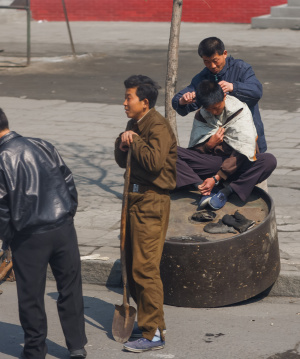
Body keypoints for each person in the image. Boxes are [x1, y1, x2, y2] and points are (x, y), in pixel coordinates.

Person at [0, 106, 87, 359]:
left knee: (31, 295)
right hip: (62, 227)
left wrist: (9, 238)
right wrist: (68, 213)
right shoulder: (42, 145)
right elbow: (68, 180)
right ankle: (77, 346)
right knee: (70, 287)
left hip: (29, 237)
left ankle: (35, 350)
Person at [114, 75, 176, 352]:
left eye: (129, 98)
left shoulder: (158, 126)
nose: (124, 102)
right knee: (131, 264)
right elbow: (122, 161)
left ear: (145, 102)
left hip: (151, 202)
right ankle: (147, 323)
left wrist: (135, 141)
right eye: (126, 97)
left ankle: (153, 334)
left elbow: (153, 163)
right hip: (134, 198)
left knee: (145, 268)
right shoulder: (134, 124)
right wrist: (123, 143)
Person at [175, 80, 277, 211]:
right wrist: (209, 145)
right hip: (212, 163)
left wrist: (217, 177)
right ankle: (203, 189)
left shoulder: (240, 110)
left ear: (224, 97)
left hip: (237, 165)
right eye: (209, 109)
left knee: (268, 160)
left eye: (217, 107)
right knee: (170, 151)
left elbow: (243, 150)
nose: (214, 112)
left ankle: (227, 191)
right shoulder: (202, 115)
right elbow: (196, 150)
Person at [172, 37, 267, 153]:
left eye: (215, 60)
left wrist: (233, 87)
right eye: (206, 61)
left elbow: (256, 91)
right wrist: (182, 100)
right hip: (219, 144)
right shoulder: (203, 77)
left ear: (225, 54)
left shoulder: (241, 68)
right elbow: (178, 100)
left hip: (247, 134)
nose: (212, 66)